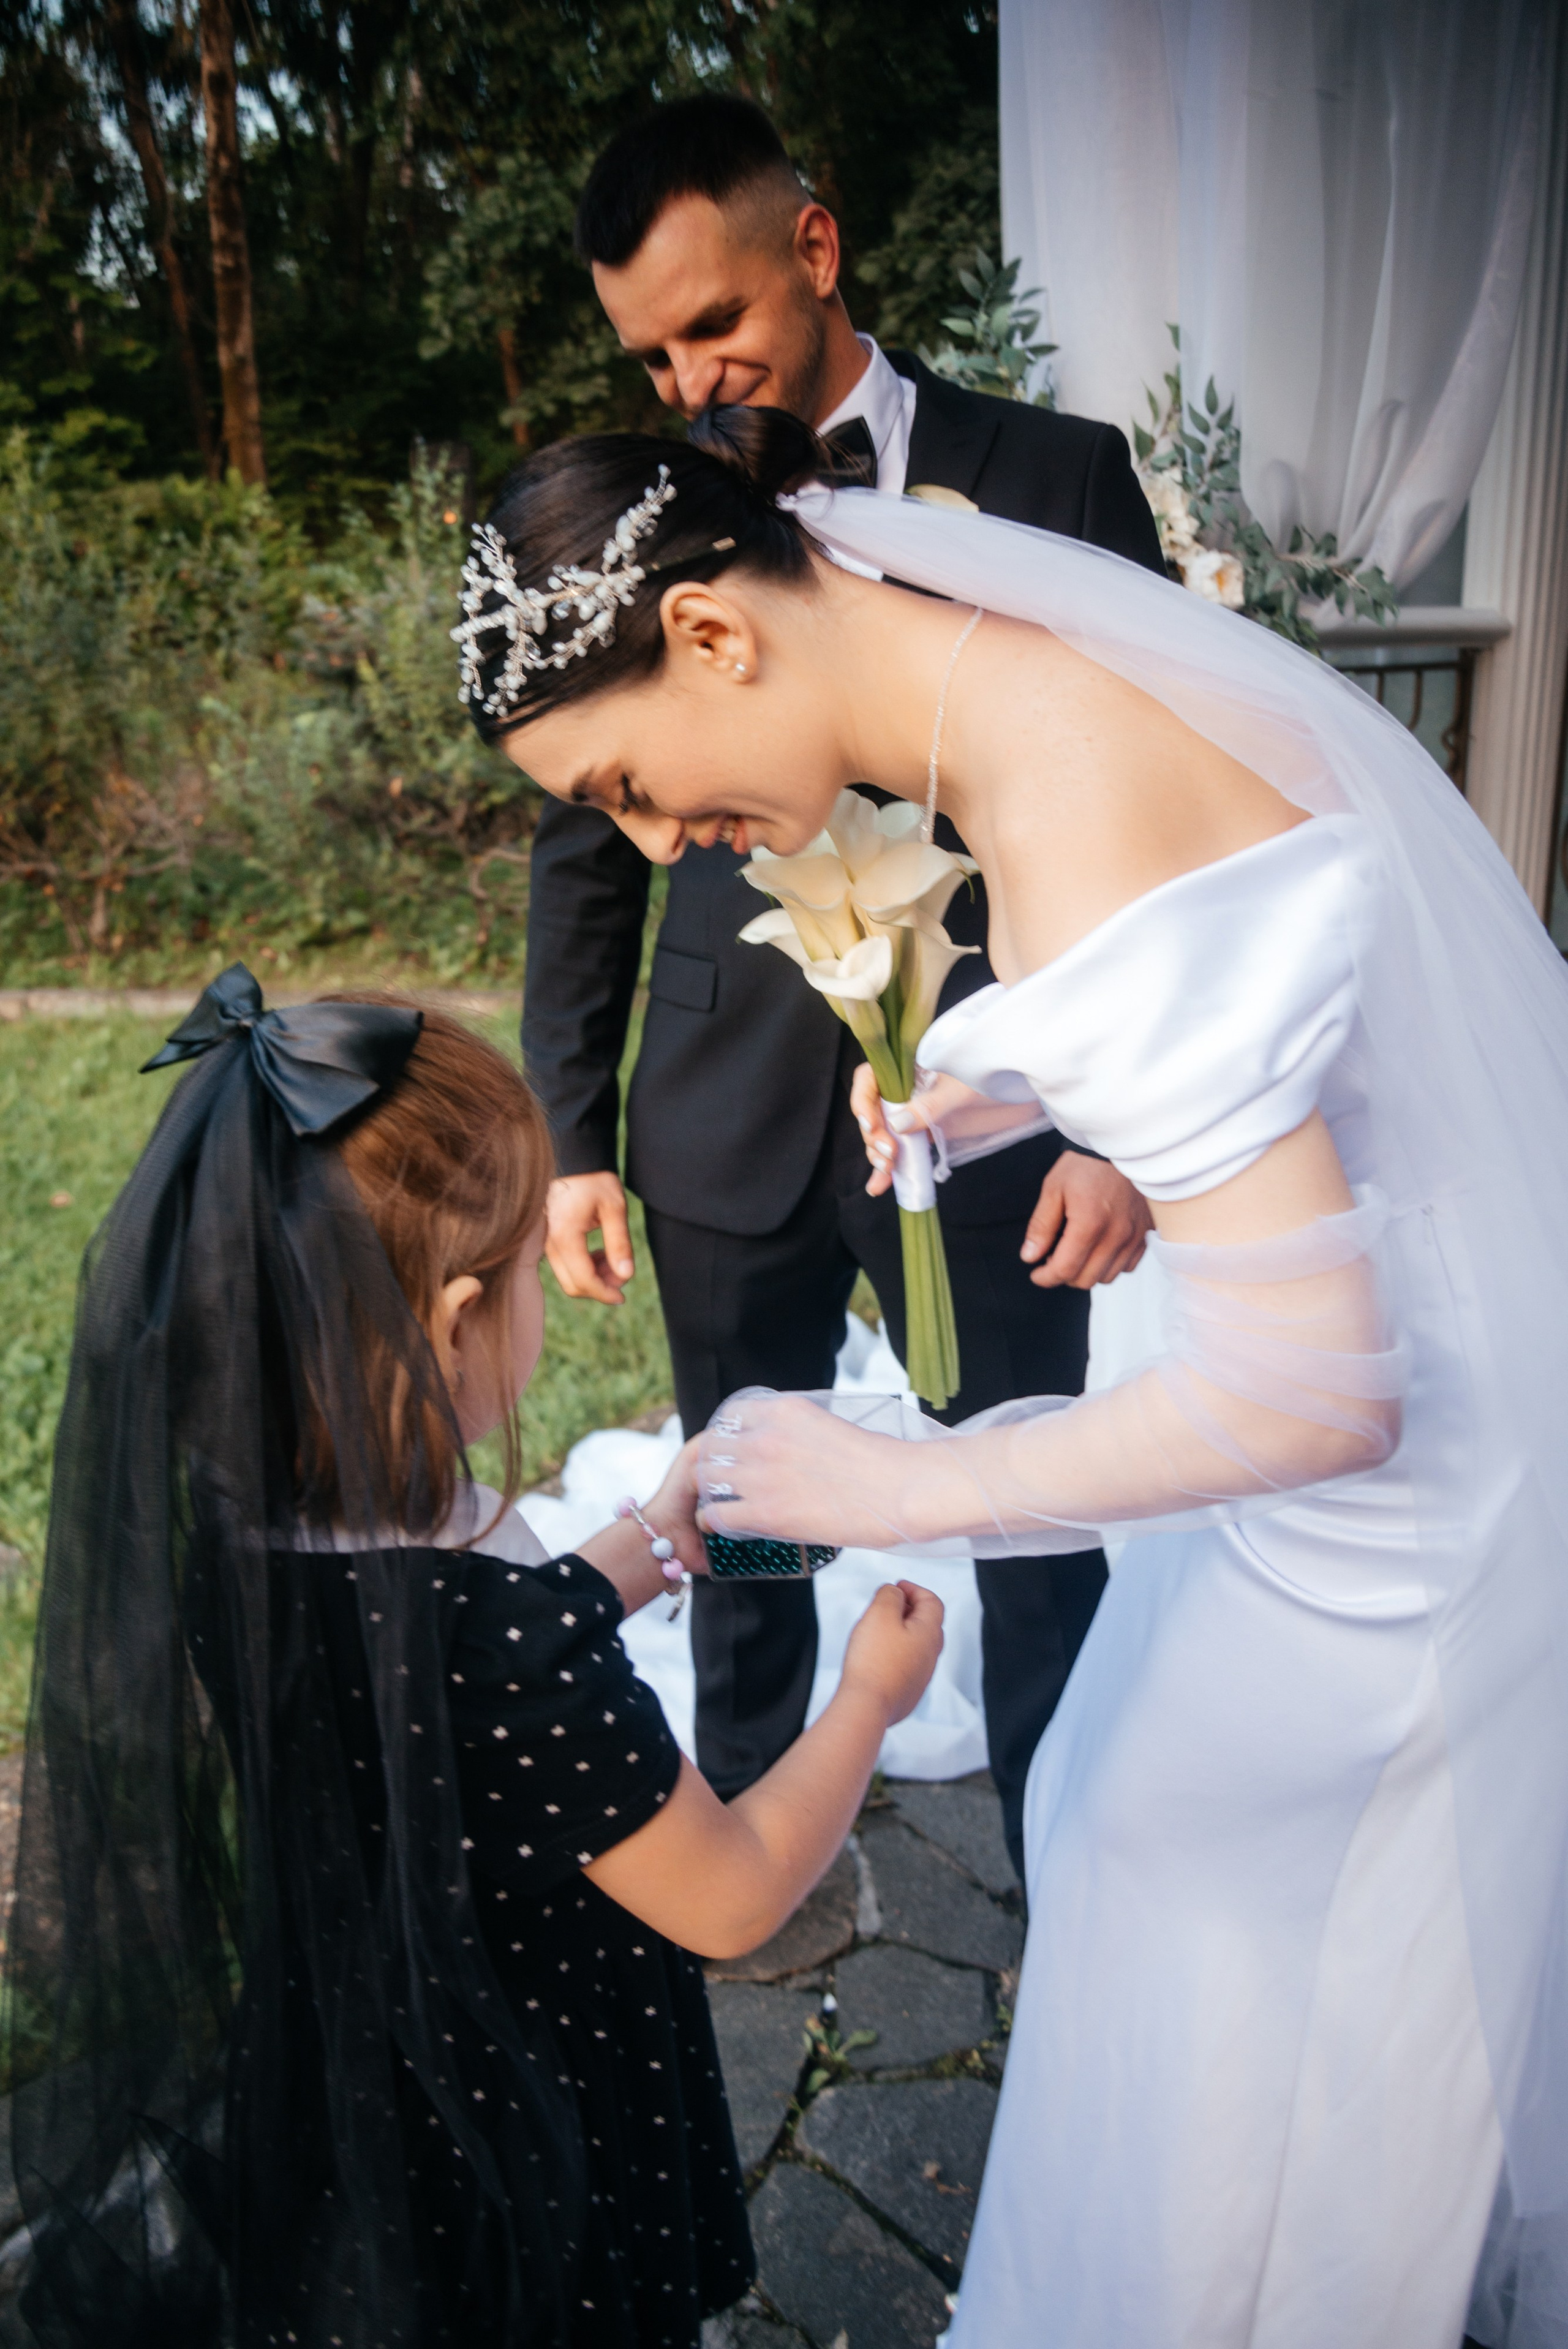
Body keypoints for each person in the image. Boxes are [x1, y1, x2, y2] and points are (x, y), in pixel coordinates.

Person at [453, 405, 1568, 2346]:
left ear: (715, 634)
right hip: (1422, 1328)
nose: (652, 846)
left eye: (630, 783)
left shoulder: (1060, 802)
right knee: (1150, 1848)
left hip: (1389, 1485)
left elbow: (1317, 1400)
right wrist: (1014, 1090)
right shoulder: (1056, 675)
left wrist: (884, 1483)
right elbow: (1288, 955)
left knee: (1177, 1896)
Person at [4, 965, 943, 2349]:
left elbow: (436, 1658)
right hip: (532, 2089)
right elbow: (733, 1898)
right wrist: (867, 1699)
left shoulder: (241, 1523)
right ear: (451, 1315)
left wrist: (654, 1540)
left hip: (356, 2053)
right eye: (519, 1279)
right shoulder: (505, 1648)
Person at [524, 94, 1162, 1863]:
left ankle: (1063, 1855)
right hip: (727, 1108)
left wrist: (1120, 1133)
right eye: (649, 358)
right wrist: (577, 1128)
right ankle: (744, 1814)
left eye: (711, 326)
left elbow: (1148, 801)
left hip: (994, 1097)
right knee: (743, 1494)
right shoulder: (649, 511)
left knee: (1039, 1495)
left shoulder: (1053, 473)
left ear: (813, 250)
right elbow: (591, 841)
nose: (688, 385)